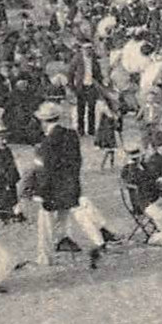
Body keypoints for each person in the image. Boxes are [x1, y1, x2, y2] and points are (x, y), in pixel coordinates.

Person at [31, 100, 102, 268]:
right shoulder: (71, 135)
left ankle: (45, 258)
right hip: (70, 186)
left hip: (51, 190)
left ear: (43, 121)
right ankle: (96, 241)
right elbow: (77, 162)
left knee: (45, 226)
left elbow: (45, 171)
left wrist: (40, 192)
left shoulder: (46, 144)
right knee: (65, 218)